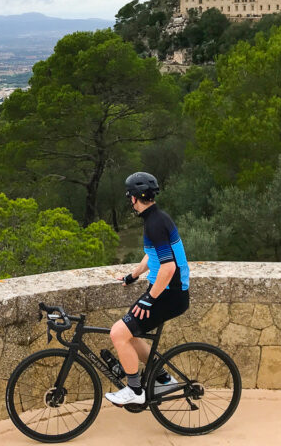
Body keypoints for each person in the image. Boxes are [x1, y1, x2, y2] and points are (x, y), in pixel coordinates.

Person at [105, 171, 191, 406]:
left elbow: (168, 267)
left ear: (134, 198)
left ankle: (134, 390)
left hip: (168, 295)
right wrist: (132, 276)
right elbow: (152, 255)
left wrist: (148, 300)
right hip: (168, 293)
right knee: (129, 331)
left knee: (118, 333)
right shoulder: (157, 218)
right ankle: (163, 379)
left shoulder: (154, 223)